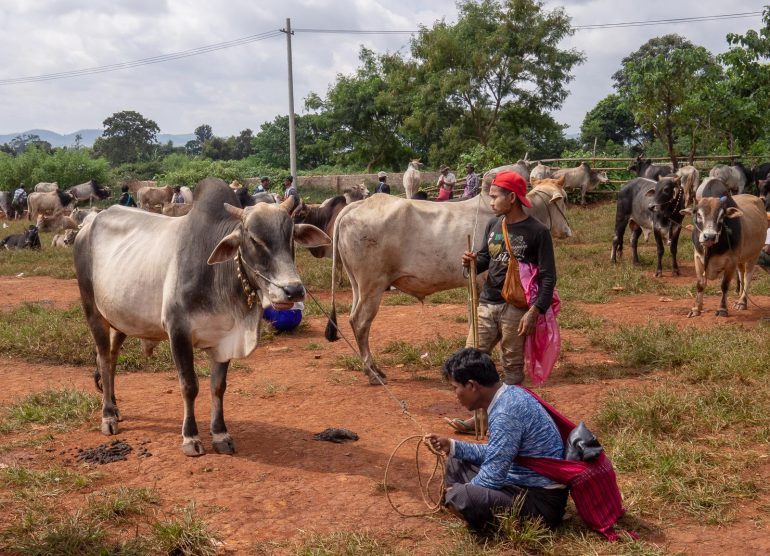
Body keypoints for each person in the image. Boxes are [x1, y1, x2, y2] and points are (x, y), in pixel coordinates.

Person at [448, 170, 556, 434]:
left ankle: (507, 424)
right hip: (486, 303)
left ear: (512, 198)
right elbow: (486, 260)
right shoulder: (494, 226)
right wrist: (472, 262)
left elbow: (548, 276)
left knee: (512, 369)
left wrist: (535, 311)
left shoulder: (537, 232)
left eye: (496, 197)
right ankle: (480, 419)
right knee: (470, 359)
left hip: (517, 308)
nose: (491, 202)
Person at [425, 348, 567, 532]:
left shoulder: (505, 413)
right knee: (456, 458)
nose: (455, 395)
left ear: (472, 386)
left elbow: (492, 478)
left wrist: (456, 495)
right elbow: (498, 453)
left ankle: (474, 515)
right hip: (525, 484)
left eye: (455, 388)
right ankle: (466, 506)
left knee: (459, 496)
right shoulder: (509, 394)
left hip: (541, 502)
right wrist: (451, 445)